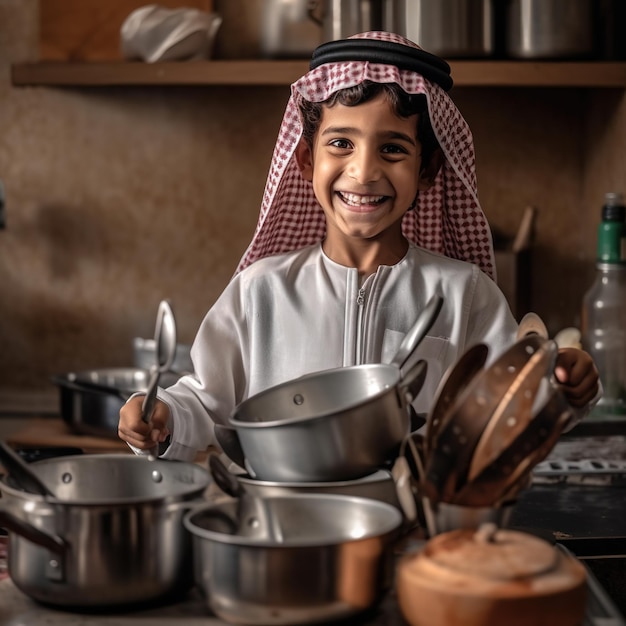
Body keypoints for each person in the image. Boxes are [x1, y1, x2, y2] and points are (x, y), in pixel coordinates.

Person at [118, 31, 599, 461]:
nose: (364, 172)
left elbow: (510, 407)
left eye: (392, 148)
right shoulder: (260, 291)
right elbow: (204, 401)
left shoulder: (465, 295)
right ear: (306, 159)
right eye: (341, 144)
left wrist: (565, 392)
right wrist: (162, 416)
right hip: (283, 533)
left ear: (427, 170)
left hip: (413, 535)